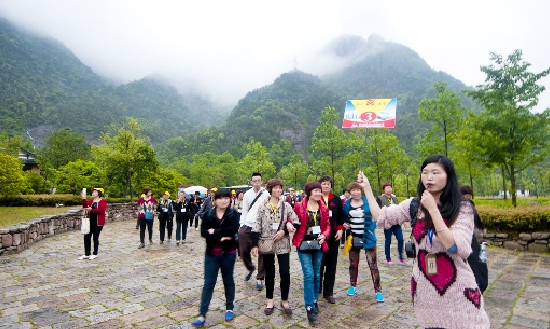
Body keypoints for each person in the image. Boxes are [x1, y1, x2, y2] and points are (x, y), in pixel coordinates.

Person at [377, 155, 490, 328]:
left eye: (435, 172)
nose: (429, 177)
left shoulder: (463, 207)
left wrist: (432, 209)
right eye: (425, 172)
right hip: (425, 290)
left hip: (459, 292)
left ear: (448, 176)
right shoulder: (414, 205)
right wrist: (367, 189)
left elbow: (455, 246)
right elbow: (382, 217)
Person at [191, 188, 240, 328]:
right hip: (212, 254)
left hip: (228, 254)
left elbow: (233, 230)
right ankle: (202, 314)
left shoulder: (233, 214)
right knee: (208, 284)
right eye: (220, 198)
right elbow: (204, 233)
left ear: (230, 199)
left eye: (226, 198)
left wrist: (215, 232)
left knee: (228, 280)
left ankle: (229, 307)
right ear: (215, 199)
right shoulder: (208, 215)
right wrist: (221, 236)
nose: (223, 201)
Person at [251, 179, 298, 315]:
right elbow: (257, 225)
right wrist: (254, 244)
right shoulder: (263, 206)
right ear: (270, 190)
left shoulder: (286, 205)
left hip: (282, 243)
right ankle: (270, 300)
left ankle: (284, 300)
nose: (278, 190)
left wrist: (286, 230)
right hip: (266, 242)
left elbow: (296, 220)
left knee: (285, 272)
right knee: (269, 273)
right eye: (275, 188)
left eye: (280, 188)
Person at [292, 182, 331, 322]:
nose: (318, 193)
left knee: (316, 274)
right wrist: (290, 224)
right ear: (308, 192)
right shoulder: (298, 206)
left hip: (318, 243)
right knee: (308, 274)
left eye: (319, 191)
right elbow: (291, 220)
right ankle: (309, 306)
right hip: (303, 243)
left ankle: (314, 300)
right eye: (315, 191)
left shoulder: (323, 207)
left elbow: (327, 225)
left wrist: (325, 235)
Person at [343, 173, 384, 303]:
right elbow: (344, 218)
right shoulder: (347, 204)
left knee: (373, 265)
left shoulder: (368, 202)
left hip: (368, 238)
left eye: (357, 190)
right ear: (349, 192)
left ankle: (378, 290)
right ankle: (353, 285)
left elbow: (376, 215)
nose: (356, 192)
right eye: (353, 190)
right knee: (353, 264)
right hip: (353, 238)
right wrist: (344, 224)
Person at [239, 173, 269, 290]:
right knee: (242, 248)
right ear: (251, 182)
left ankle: (260, 277)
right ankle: (251, 266)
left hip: (262, 225)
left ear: (261, 182)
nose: (256, 183)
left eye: (258, 181)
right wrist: (242, 225)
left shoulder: (266, 194)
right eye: (254, 181)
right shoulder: (247, 194)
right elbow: (245, 210)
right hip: (248, 224)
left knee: (263, 250)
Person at [318, 175, 344, 304]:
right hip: (320, 237)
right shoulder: (316, 198)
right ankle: (317, 289)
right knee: (319, 264)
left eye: (328, 184)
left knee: (331, 265)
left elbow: (340, 216)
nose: (326, 186)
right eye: (323, 183)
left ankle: (328, 292)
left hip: (333, 237)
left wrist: (340, 229)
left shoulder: (337, 200)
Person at [460, 185, 489, 293]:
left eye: (469, 196)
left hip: (470, 235)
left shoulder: (470, 204)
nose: (467, 197)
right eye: (466, 195)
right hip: (461, 236)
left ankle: (476, 284)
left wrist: (482, 226)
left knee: (475, 259)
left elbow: (475, 216)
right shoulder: (454, 204)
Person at [377, 183, 408, 266]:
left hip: (396, 222)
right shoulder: (380, 198)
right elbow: (378, 210)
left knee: (401, 239)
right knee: (388, 240)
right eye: (387, 188)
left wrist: (404, 221)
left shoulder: (395, 198)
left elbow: (399, 210)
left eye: (390, 188)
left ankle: (401, 258)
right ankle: (388, 258)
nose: (389, 189)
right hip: (388, 223)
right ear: (384, 189)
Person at [79, 188, 107, 260]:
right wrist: (83, 198)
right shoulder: (91, 202)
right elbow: (85, 206)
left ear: (99, 194)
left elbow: (102, 210)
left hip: (98, 222)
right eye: (93, 192)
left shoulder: (102, 201)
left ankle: (95, 253)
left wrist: (92, 209)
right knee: (87, 237)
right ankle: (87, 253)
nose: (93, 193)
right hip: (89, 221)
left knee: (95, 237)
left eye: (95, 192)